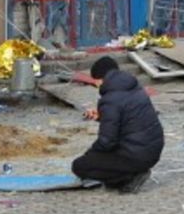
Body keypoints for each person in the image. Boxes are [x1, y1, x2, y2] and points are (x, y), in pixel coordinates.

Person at [70, 57, 165, 193]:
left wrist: (90, 154)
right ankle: (127, 174)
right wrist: (101, 117)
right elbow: (127, 120)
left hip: (136, 155)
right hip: (152, 150)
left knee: (80, 166)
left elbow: (107, 141)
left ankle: (130, 177)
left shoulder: (110, 99)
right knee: (101, 159)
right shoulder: (134, 88)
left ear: (99, 79)